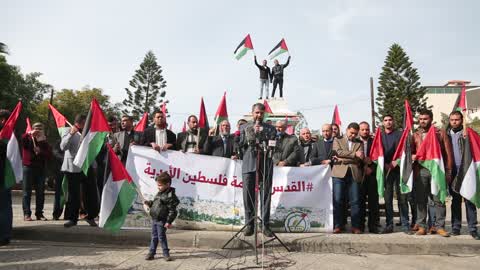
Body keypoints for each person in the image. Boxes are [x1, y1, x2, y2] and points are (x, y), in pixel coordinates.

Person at [412, 109, 453, 237]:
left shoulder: (440, 133)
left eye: (425, 118)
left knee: (438, 200)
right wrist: (412, 155)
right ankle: (422, 227)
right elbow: (410, 152)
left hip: (437, 170)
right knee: (420, 200)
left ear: (431, 119)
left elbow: (448, 153)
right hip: (421, 170)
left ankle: (439, 227)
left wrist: (448, 171)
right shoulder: (415, 134)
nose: (423, 121)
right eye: (421, 119)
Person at [238, 103, 276, 237]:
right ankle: (249, 225)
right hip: (249, 164)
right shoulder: (244, 127)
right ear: (252, 113)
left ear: (264, 114)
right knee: (248, 195)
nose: (259, 115)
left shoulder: (271, 129)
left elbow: (273, 145)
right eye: (256, 113)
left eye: (261, 113)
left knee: (265, 195)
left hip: (265, 164)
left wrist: (262, 134)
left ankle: (265, 225)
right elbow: (240, 146)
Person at [61, 114, 98, 228]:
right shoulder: (68, 130)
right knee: (73, 194)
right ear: (80, 122)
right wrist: (71, 134)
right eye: (85, 122)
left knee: (91, 193)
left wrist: (94, 165)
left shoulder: (89, 132)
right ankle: (72, 218)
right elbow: (63, 146)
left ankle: (90, 216)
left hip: (87, 166)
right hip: (73, 167)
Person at [448, 111, 479, 240]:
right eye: (452, 120)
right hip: (453, 171)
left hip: (466, 171)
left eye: (457, 119)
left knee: (469, 200)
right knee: (455, 201)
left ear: (462, 120)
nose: (454, 122)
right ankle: (456, 227)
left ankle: (472, 228)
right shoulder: (446, 135)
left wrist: (469, 138)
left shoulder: (468, 133)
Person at [381, 115, 415, 234]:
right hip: (386, 170)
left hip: (399, 169)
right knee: (388, 198)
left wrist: (398, 161)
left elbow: (406, 150)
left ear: (393, 121)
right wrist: (384, 163)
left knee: (402, 198)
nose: (388, 122)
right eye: (386, 120)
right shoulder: (379, 136)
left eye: (390, 120)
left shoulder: (400, 134)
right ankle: (389, 224)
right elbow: (377, 152)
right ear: (383, 122)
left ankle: (405, 225)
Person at [331, 122, 365, 234]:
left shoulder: (359, 143)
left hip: (354, 173)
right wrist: (354, 155)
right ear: (347, 130)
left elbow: (359, 159)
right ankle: (338, 225)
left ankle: (355, 226)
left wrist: (342, 159)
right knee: (338, 200)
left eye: (355, 134)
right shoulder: (337, 139)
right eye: (351, 133)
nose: (353, 136)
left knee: (355, 201)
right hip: (339, 173)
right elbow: (338, 152)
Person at [144, 172, 180, 261]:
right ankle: (151, 253)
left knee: (161, 237)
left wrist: (168, 221)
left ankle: (166, 253)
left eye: (160, 185)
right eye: (158, 185)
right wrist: (149, 203)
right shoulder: (159, 193)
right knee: (154, 236)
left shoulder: (171, 197)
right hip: (154, 219)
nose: (158, 187)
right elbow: (155, 203)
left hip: (162, 220)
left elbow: (173, 211)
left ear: (167, 184)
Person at [21, 122, 52, 221]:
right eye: (36, 129)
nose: (38, 131)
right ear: (33, 129)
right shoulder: (28, 138)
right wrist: (29, 133)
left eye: (40, 129)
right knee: (27, 192)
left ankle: (39, 213)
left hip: (40, 169)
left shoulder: (44, 141)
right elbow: (22, 140)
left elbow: (49, 155)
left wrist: (41, 151)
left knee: (40, 192)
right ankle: (27, 214)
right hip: (28, 168)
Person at [358, 122, 379, 234]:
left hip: (372, 176)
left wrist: (372, 168)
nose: (365, 131)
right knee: (360, 202)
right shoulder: (355, 142)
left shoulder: (375, 142)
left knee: (373, 202)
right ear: (359, 131)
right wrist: (362, 166)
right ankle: (360, 225)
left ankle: (373, 226)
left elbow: (379, 157)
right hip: (359, 176)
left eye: (367, 129)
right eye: (363, 129)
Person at [0, 109, 12, 246]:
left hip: (3, 175)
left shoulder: (7, 136)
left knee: (3, 207)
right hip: (6, 175)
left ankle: (4, 235)